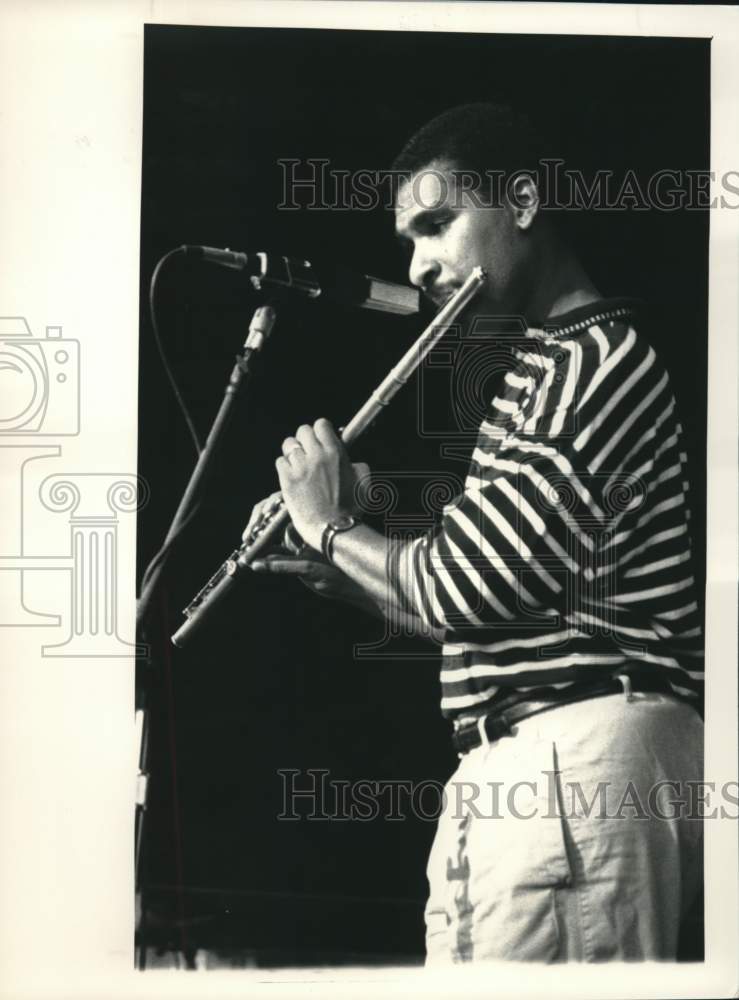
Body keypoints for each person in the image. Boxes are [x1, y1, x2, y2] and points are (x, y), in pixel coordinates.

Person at [246, 104, 704, 962]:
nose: (417, 266)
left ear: (522, 202)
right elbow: (494, 617)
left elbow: (462, 585)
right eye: (407, 241)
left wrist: (328, 523)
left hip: (572, 764)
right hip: (538, 767)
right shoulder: (543, 369)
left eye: (436, 225)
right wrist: (346, 574)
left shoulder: (593, 359)